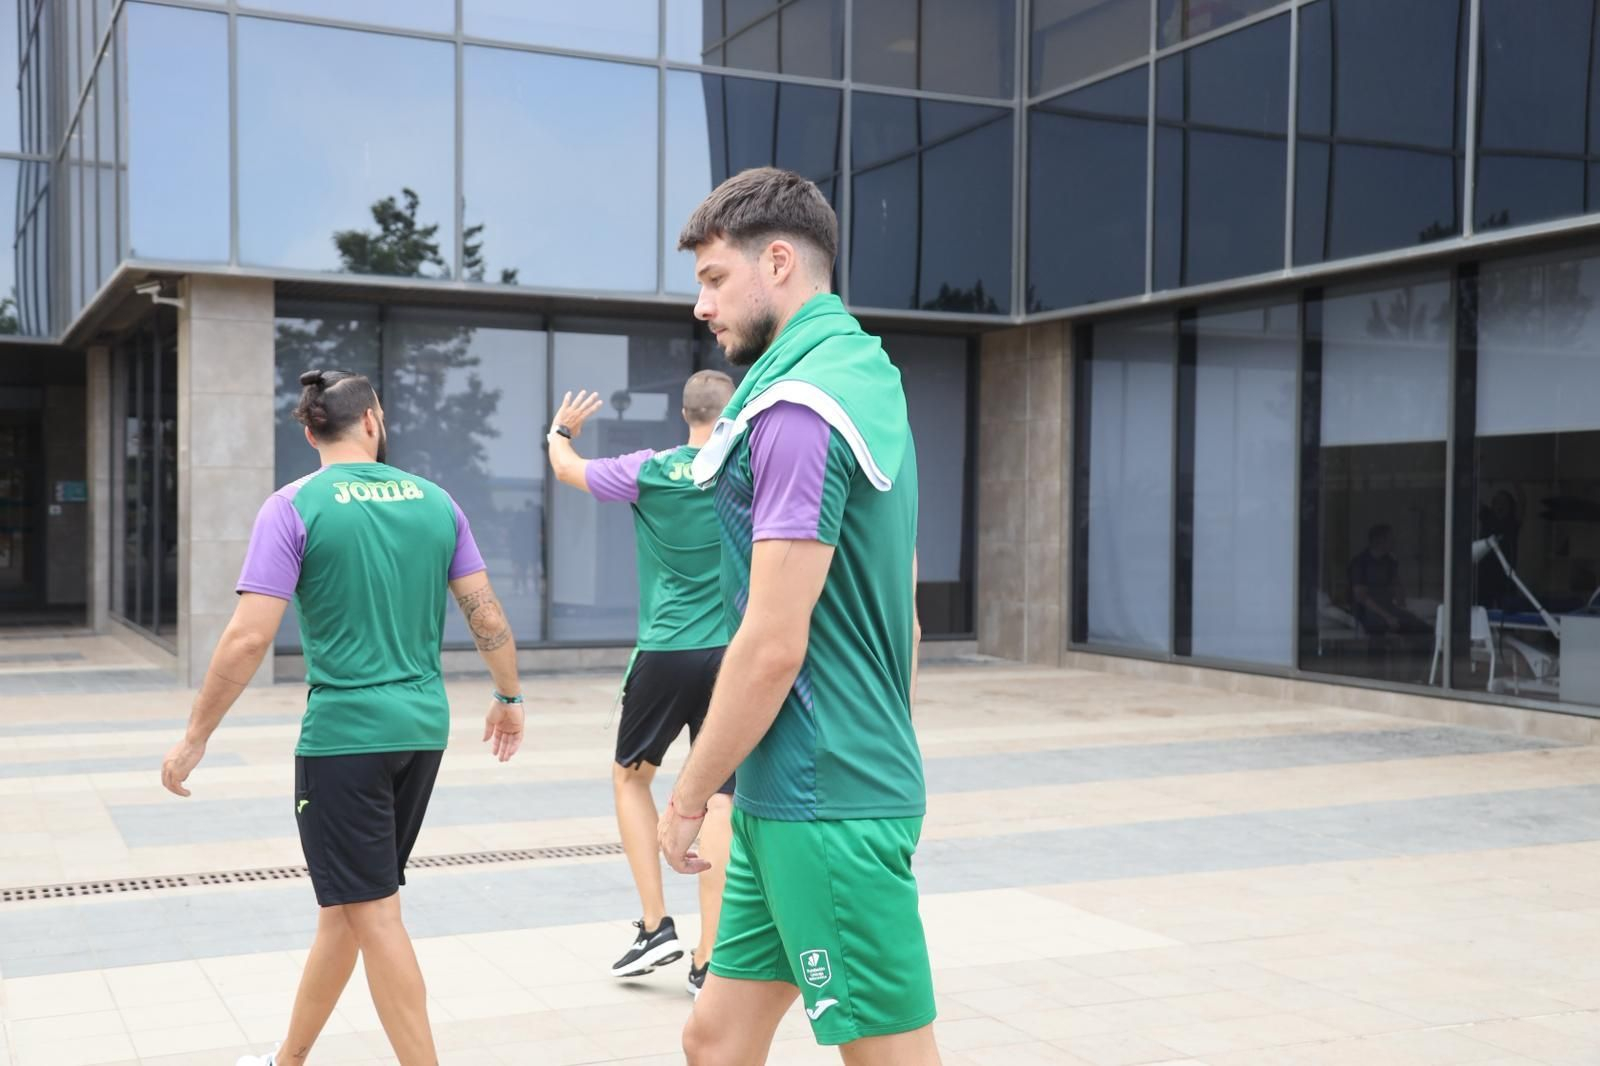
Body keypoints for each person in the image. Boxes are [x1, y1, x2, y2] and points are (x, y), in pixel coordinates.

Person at [159, 369, 526, 1066]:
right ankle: (287, 1059)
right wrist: (509, 698)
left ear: (308, 431)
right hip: (421, 731)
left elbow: (247, 636)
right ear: (372, 421)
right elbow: (485, 611)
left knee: (375, 912)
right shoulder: (437, 503)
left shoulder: (293, 506)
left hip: (344, 741)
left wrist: (195, 735)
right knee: (350, 907)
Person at [658, 167, 937, 1064]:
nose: (701, 307)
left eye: (712, 279)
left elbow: (773, 644)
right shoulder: (865, 374)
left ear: (777, 261)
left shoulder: (798, 410)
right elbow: (910, 606)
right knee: (715, 1037)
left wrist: (690, 795)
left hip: (825, 802)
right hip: (804, 791)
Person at [545, 371, 738, 996]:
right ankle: (709, 960)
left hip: (664, 651)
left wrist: (561, 430)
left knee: (632, 776)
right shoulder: (749, 473)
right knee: (720, 797)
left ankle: (656, 926)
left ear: (683, 413)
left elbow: (567, 468)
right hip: (732, 655)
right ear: (731, 413)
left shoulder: (650, 469)